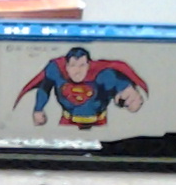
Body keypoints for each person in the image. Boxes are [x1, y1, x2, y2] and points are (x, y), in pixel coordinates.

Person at [13, 46, 148, 128]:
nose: (77, 71)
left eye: (82, 65)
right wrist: (38, 109)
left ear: (88, 65)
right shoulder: (56, 71)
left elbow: (121, 86)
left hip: (98, 122)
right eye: (73, 66)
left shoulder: (102, 75)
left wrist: (130, 96)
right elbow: (45, 87)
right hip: (68, 120)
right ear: (66, 66)